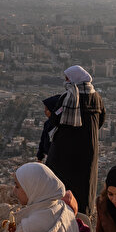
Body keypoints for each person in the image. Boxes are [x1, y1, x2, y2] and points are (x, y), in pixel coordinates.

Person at [44, 65, 105, 208]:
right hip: (88, 147)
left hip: (65, 147)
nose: (66, 81)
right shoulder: (97, 97)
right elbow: (101, 119)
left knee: (60, 179)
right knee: (85, 181)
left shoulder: (68, 97)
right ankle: (83, 213)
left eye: (67, 78)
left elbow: (55, 119)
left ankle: (58, 211)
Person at [36, 94, 61, 162]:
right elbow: (43, 140)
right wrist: (40, 157)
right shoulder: (47, 123)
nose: (44, 111)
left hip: (58, 159)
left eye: (47, 109)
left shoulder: (61, 126)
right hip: (49, 157)